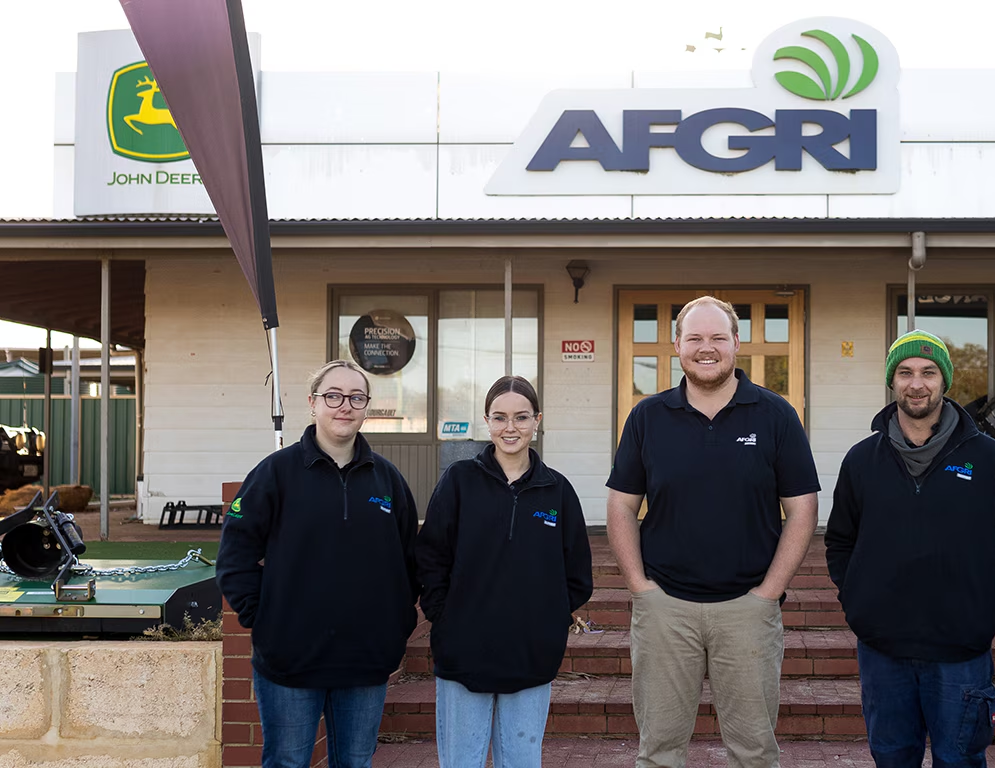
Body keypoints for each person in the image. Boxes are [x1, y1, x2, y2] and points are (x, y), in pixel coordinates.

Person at [606, 295, 821, 768]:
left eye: (718, 337)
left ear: (737, 343)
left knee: (754, 755)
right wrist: (640, 589)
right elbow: (621, 505)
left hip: (748, 609)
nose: (707, 348)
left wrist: (768, 594)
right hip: (665, 610)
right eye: (695, 338)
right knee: (658, 754)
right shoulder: (647, 417)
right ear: (677, 345)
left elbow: (803, 509)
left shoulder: (775, 415)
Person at [825, 329, 995, 768]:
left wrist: (986, 609)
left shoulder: (987, 457)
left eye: (928, 372)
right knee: (892, 758)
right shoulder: (861, 460)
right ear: (892, 381)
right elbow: (840, 541)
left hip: (960, 650)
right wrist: (860, 600)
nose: (917, 384)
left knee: (959, 760)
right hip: (883, 650)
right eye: (905, 372)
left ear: (944, 381)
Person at [217, 359, 420, 768]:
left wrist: (395, 626)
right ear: (313, 403)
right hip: (290, 660)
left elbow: (411, 563)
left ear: (366, 407)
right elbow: (235, 554)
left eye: (356, 397)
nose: (345, 405)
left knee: (355, 763)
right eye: (333, 396)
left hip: (365, 660)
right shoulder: (275, 473)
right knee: (288, 762)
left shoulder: (387, 480)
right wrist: (266, 617)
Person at [417, 375, 593, 768]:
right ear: (487, 421)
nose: (510, 427)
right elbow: (430, 556)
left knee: (522, 761)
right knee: (462, 762)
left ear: (537, 421)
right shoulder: (459, 481)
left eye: (521, 417)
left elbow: (578, 575)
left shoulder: (557, 491)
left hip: (530, 655)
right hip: (463, 653)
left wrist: (548, 624)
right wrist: (445, 618)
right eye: (499, 417)